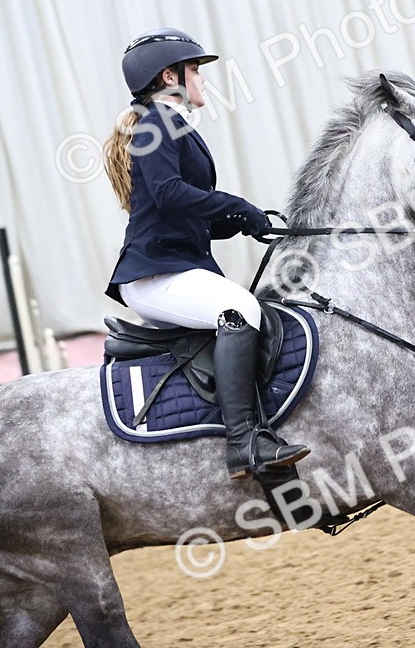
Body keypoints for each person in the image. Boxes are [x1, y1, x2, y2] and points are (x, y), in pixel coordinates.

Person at [102, 27, 309, 479]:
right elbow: (169, 193)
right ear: (170, 76)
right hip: (154, 275)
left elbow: (179, 213)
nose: (203, 79)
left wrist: (237, 224)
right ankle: (243, 443)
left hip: (175, 264)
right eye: (196, 70)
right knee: (239, 308)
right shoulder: (155, 124)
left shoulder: (170, 125)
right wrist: (237, 205)